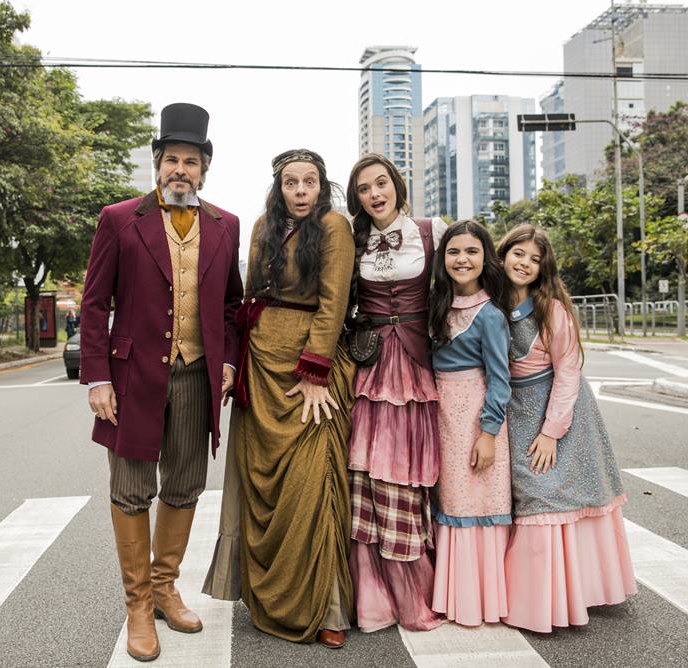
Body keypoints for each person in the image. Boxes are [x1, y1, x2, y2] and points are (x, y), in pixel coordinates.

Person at [80, 103, 242, 662]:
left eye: (191, 162)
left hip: (196, 375)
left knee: (184, 484)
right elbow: (95, 302)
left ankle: (166, 585)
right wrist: (97, 376)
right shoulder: (119, 218)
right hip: (131, 378)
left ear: (204, 170)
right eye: (171, 159)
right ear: (156, 165)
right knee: (130, 489)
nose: (181, 169)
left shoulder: (226, 224)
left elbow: (229, 305)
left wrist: (227, 363)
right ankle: (137, 605)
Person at [205, 149, 356, 648]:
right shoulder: (260, 226)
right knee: (258, 482)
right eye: (291, 182)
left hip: (306, 365)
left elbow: (334, 300)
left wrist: (316, 371)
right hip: (260, 361)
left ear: (321, 185)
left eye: (309, 181)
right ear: (279, 187)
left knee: (312, 485)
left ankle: (326, 607)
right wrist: (233, 362)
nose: (300, 191)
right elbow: (246, 298)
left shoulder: (334, 226)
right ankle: (265, 598)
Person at [496, 224, 637, 633]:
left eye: (534, 259)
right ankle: (536, 596)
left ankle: (558, 598)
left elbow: (569, 370)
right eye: (518, 254)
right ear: (503, 254)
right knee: (529, 496)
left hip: (558, 411)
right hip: (513, 410)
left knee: (551, 494)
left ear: (544, 269)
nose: (524, 263)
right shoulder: (490, 303)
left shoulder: (551, 307)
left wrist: (551, 430)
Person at [344, 154, 447, 632]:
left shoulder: (432, 231)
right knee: (365, 478)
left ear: (396, 185)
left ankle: (417, 593)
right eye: (364, 189)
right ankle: (374, 599)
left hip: (418, 368)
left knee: (408, 480)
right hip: (370, 371)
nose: (375, 194)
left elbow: (463, 288)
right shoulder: (353, 240)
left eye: (381, 183)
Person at [429, 220, 512, 626]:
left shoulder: (491, 314)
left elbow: (500, 378)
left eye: (472, 252)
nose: (463, 259)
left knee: (476, 500)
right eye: (454, 252)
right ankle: (451, 596)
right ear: (442, 259)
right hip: (441, 416)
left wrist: (489, 433)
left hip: (475, 418)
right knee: (449, 501)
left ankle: (479, 600)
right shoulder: (435, 307)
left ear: (485, 258)